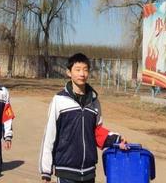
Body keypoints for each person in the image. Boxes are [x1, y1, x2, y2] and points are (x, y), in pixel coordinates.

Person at [40, 53, 127, 183]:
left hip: (88, 172)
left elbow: (97, 131)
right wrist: (46, 171)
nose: (82, 74)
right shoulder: (59, 101)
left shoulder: (94, 102)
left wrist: (116, 140)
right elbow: (50, 135)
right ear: (69, 72)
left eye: (85, 70)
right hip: (66, 171)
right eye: (78, 69)